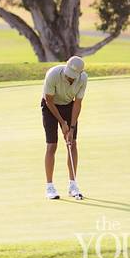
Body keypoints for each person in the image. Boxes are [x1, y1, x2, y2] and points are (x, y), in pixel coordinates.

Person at [41, 56, 87, 200]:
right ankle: (50, 186)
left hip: (68, 106)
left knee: (72, 143)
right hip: (50, 107)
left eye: (73, 77)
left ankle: (73, 185)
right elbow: (49, 100)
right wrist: (62, 122)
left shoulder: (83, 79)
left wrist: (71, 127)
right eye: (68, 76)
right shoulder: (53, 74)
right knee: (51, 145)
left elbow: (77, 103)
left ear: (80, 74)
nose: (69, 79)